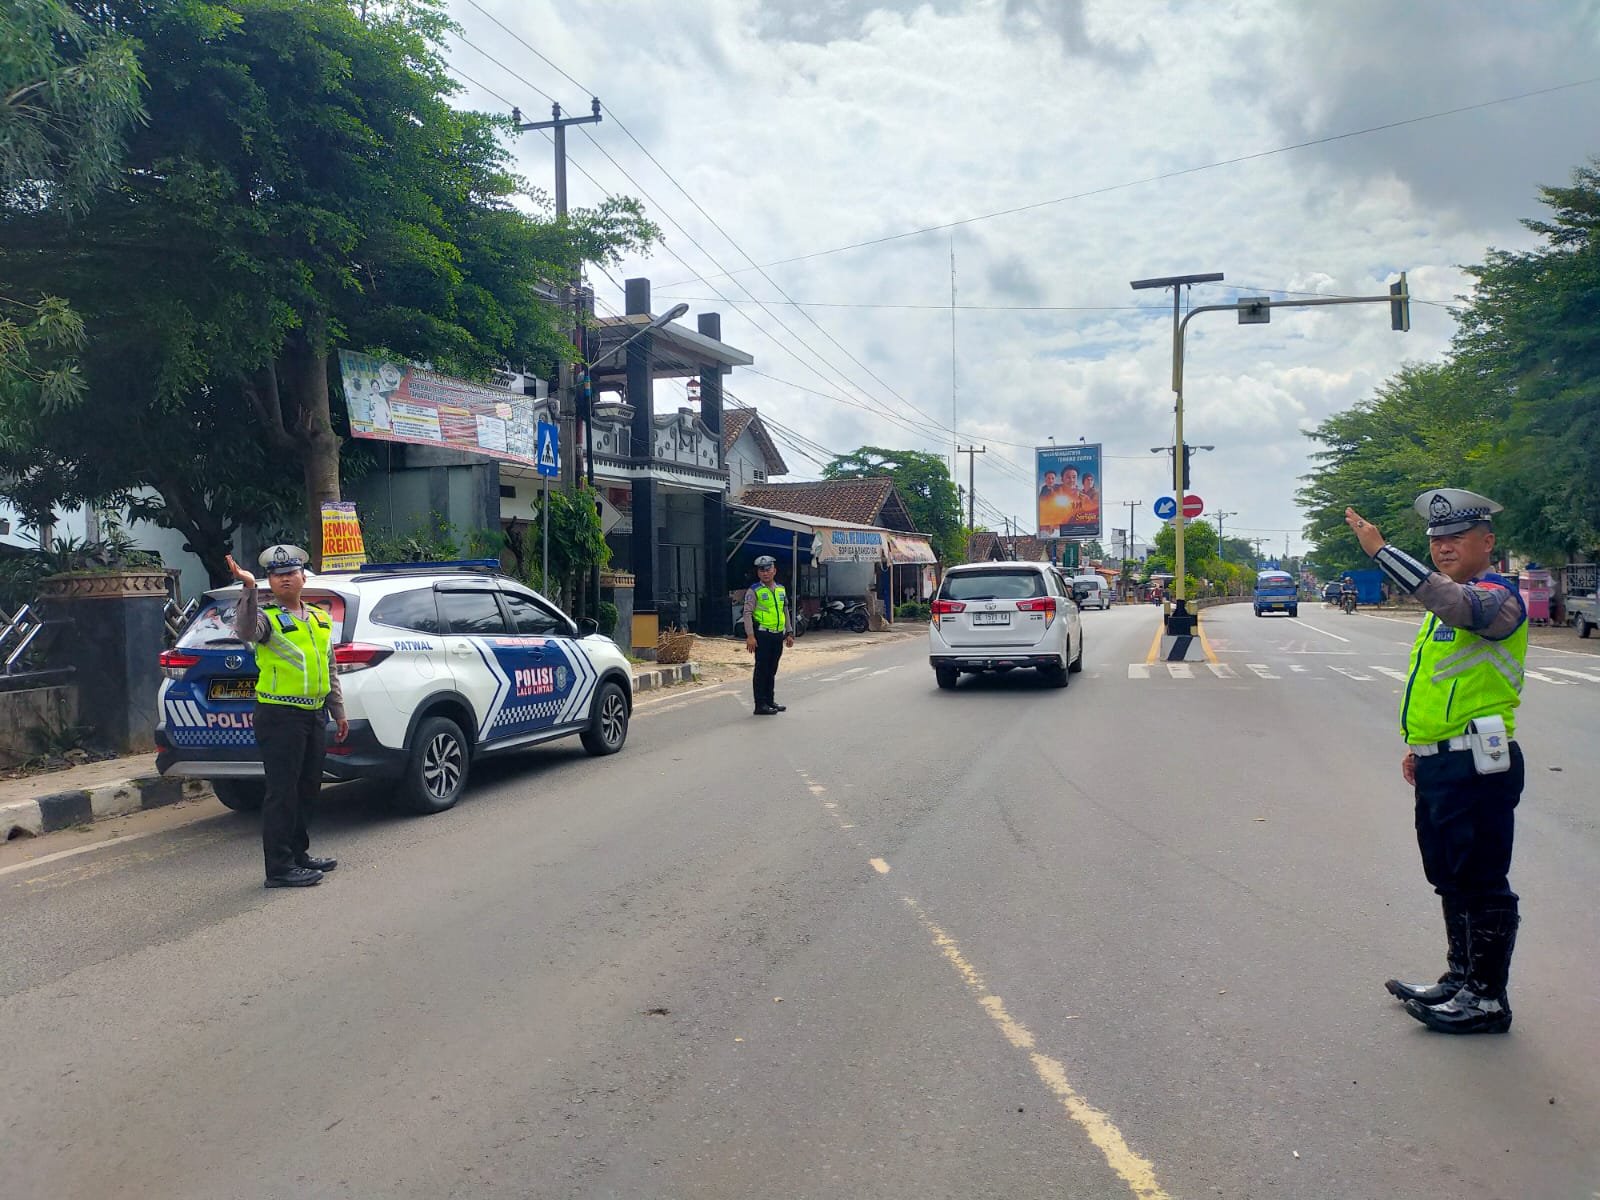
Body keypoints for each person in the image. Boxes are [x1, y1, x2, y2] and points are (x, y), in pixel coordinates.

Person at [1345, 489, 1527, 1034]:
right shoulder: (1446, 604)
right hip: (1440, 763)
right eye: (1437, 540)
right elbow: (1444, 686)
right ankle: (1460, 981)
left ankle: (1488, 1000)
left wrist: (1381, 551)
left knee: (1482, 879)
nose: (1444, 548)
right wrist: (1420, 746)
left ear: (1487, 543)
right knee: (1448, 875)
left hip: (1481, 764)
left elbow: (1456, 605)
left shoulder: (1500, 599)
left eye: (1456, 538)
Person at [226, 546, 348, 888]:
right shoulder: (267, 619)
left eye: (291, 573)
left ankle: (298, 854)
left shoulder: (321, 618)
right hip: (279, 715)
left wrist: (338, 711)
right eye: (277, 575)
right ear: (270, 582)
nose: (285, 578)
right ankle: (278, 868)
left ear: (302, 577)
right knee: (282, 792)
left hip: (313, 714)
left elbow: (330, 666)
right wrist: (248, 588)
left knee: (308, 788)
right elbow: (245, 632)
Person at [742, 555, 794, 716]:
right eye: (761, 570)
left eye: (768, 569)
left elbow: (785, 610)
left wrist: (789, 632)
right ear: (758, 573)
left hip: (777, 635)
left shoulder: (780, 589)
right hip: (762, 635)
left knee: (772, 669)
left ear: (774, 570)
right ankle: (760, 704)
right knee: (761, 670)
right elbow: (747, 613)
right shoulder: (754, 590)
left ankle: (770, 700)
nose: (765, 573)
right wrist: (750, 636)